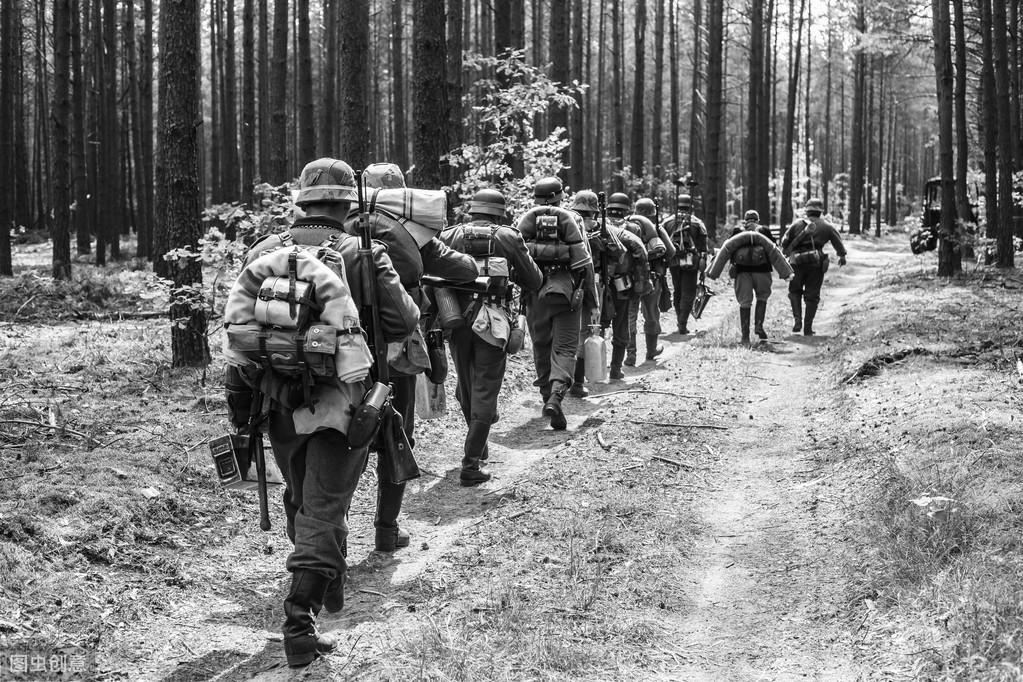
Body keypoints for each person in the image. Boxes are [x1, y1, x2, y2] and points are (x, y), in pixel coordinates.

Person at [224, 158, 420, 667]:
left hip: (277, 402)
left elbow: (239, 333)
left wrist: (239, 407)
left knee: (302, 495)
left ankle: (322, 576)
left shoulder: (264, 252)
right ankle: (299, 614)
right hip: (344, 403)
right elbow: (405, 318)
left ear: (303, 202)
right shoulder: (362, 252)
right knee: (326, 505)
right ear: (346, 205)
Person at [343, 163, 479, 551]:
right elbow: (462, 268)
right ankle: (387, 529)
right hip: (394, 349)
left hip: (339, 348)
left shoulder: (338, 226)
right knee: (395, 433)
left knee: (341, 437)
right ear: (401, 192)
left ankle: (336, 529)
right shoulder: (410, 232)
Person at [437, 188, 543, 484]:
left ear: (472, 209)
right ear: (499, 212)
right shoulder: (508, 237)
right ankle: (470, 465)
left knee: (466, 388)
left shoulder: (449, 235)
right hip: (493, 323)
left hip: (455, 319)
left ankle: (478, 444)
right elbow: (534, 280)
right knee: (485, 391)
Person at [516, 176, 597, 430]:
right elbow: (586, 264)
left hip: (534, 293)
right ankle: (556, 396)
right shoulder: (572, 221)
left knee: (540, 345)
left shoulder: (524, 220)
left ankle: (544, 397)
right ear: (558, 197)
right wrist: (592, 302)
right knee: (565, 347)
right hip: (567, 296)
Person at [570, 190, 649, 384]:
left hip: (583, 288)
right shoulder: (616, 232)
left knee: (585, 331)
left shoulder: (569, 229)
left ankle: (580, 379)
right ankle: (615, 369)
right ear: (596, 212)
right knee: (620, 325)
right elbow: (639, 250)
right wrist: (642, 284)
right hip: (617, 287)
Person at [705, 209, 792, 345]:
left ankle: (745, 337)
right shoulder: (764, 231)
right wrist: (785, 272)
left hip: (742, 272)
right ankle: (758, 326)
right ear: (757, 220)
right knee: (762, 297)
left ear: (745, 220)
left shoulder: (737, 231)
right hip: (762, 271)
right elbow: (774, 251)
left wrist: (713, 270)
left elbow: (727, 250)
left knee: (745, 302)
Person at [780, 198, 847, 336]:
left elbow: (784, 241)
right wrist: (842, 255)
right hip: (816, 263)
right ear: (820, 212)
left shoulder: (797, 224)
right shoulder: (827, 226)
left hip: (795, 262)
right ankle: (808, 328)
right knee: (812, 295)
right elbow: (837, 242)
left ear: (807, 210)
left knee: (794, 291)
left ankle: (797, 321)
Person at [633, 197, 676, 359]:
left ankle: (630, 353)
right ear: (653, 212)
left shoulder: (626, 225)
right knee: (651, 313)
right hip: (652, 277)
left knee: (629, 315)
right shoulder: (656, 229)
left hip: (628, 277)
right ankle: (651, 350)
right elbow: (670, 251)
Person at [662, 194, 709, 335]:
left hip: (674, 260)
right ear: (691, 207)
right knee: (688, 292)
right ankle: (682, 323)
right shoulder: (697, 223)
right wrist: (703, 265)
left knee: (678, 290)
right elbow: (703, 248)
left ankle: (679, 320)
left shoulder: (667, 222)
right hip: (690, 260)